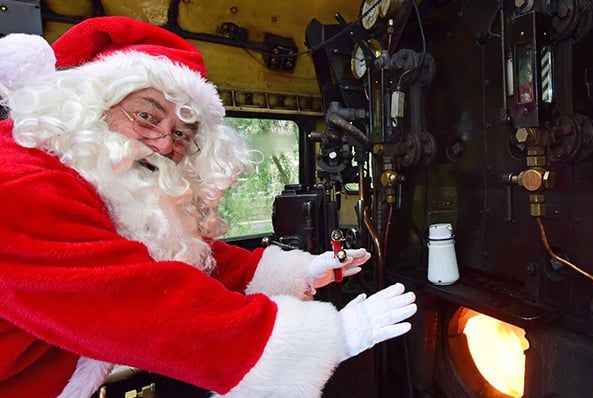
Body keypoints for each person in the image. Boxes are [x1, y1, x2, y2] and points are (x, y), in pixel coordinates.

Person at [0, 16, 417, 398]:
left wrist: (298, 270)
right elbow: (136, 302)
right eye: (147, 116)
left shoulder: (85, 178)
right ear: (87, 107)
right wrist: (325, 337)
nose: (165, 145)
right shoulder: (19, 184)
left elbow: (177, 259)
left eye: (182, 135)